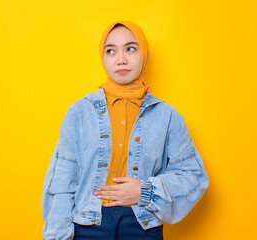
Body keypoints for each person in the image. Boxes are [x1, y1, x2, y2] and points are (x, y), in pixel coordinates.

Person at [41, 20, 209, 240]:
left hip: (142, 225)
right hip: (87, 226)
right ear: (102, 58)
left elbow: (193, 176)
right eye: (111, 51)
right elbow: (62, 182)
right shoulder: (79, 112)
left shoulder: (167, 116)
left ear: (144, 54)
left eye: (130, 48)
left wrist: (145, 191)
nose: (121, 59)